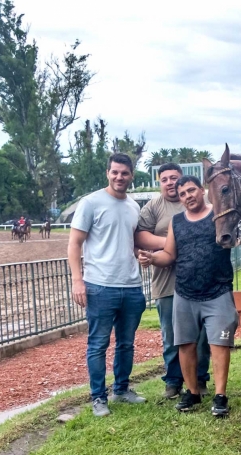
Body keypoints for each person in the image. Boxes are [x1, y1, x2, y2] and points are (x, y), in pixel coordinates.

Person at [138, 176, 238, 416]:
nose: (188, 196)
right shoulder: (176, 222)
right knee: (185, 343)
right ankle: (192, 392)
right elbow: (169, 255)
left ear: (202, 190)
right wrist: (152, 258)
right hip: (185, 292)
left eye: (191, 190)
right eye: (183, 194)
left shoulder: (218, 213)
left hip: (218, 290)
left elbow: (237, 238)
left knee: (219, 344)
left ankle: (220, 395)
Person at [68, 153, 147, 417]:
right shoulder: (91, 203)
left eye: (124, 173)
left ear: (131, 175)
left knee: (126, 343)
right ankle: (98, 397)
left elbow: (131, 243)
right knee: (98, 344)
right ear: (108, 173)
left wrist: (142, 255)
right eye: (115, 172)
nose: (119, 177)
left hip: (131, 286)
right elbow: (75, 243)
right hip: (99, 286)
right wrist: (78, 280)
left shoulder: (134, 207)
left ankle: (122, 389)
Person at [134, 162, 211, 399]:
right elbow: (139, 235)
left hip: (201, 281)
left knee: (201, 337)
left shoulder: (203, 204)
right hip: (166, 281)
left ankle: (199, 379)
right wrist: (171, 243)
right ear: (160, 182)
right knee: (172, 335)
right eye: (165, 178)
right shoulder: (153, 207)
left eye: (174, 178)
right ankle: (174, 380)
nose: (169, 182)